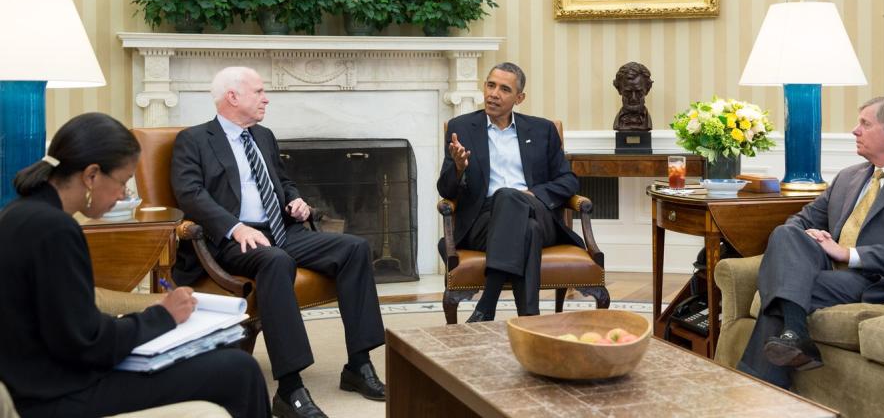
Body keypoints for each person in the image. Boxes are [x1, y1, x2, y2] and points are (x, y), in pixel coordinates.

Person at [0, 112, 269, 418]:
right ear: (91, 175)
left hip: (34, 381)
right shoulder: (55, 230)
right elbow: (88, 345)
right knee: (240, 369)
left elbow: (70, 322)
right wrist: (162, 317)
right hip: (57, 396)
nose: (123, 195)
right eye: (123, 182)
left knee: (220, 356)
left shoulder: (18, 212)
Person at [171, 66, 385, 418]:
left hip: (282, 230)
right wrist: (235, 227)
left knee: (354, 248)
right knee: (275, 261)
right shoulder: (193, 140)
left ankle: (358, 366)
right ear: (232, 97)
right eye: (259, 91)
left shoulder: (264, 136)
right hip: (231, 241)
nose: (266, 97)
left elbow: (282, 182)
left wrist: (295, 200)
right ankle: (289, 388)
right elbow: (190, 194)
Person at [736, 97, 884, 388]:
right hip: (828, 267)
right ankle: (795, 334)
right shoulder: (848, 177)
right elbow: (801, 219)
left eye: (865, 124)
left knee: (785, 287)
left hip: (875, 278)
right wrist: (813, 236)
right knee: (785, 233)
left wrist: (849, 253)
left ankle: (755, 385)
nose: (855, 130)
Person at [437, 62, 585, 322]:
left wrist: (533, 194)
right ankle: (530, 319)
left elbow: (568, 180)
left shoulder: (542, 130)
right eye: (490, 85)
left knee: (509, 196)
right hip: (484, 222)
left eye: (504, 89)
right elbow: (446, 189)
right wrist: (459, 168)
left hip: (538, 210)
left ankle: (487, 303)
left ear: (519, 98)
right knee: (528, 230)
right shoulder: (461, 127)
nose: (494, 93)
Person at [612, 61, 653, 131]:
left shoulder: (647, 121)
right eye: (628, 92)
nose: (633, 98)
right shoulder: (618, 122)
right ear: (619, 90)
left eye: (638, 92)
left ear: (647, 90)